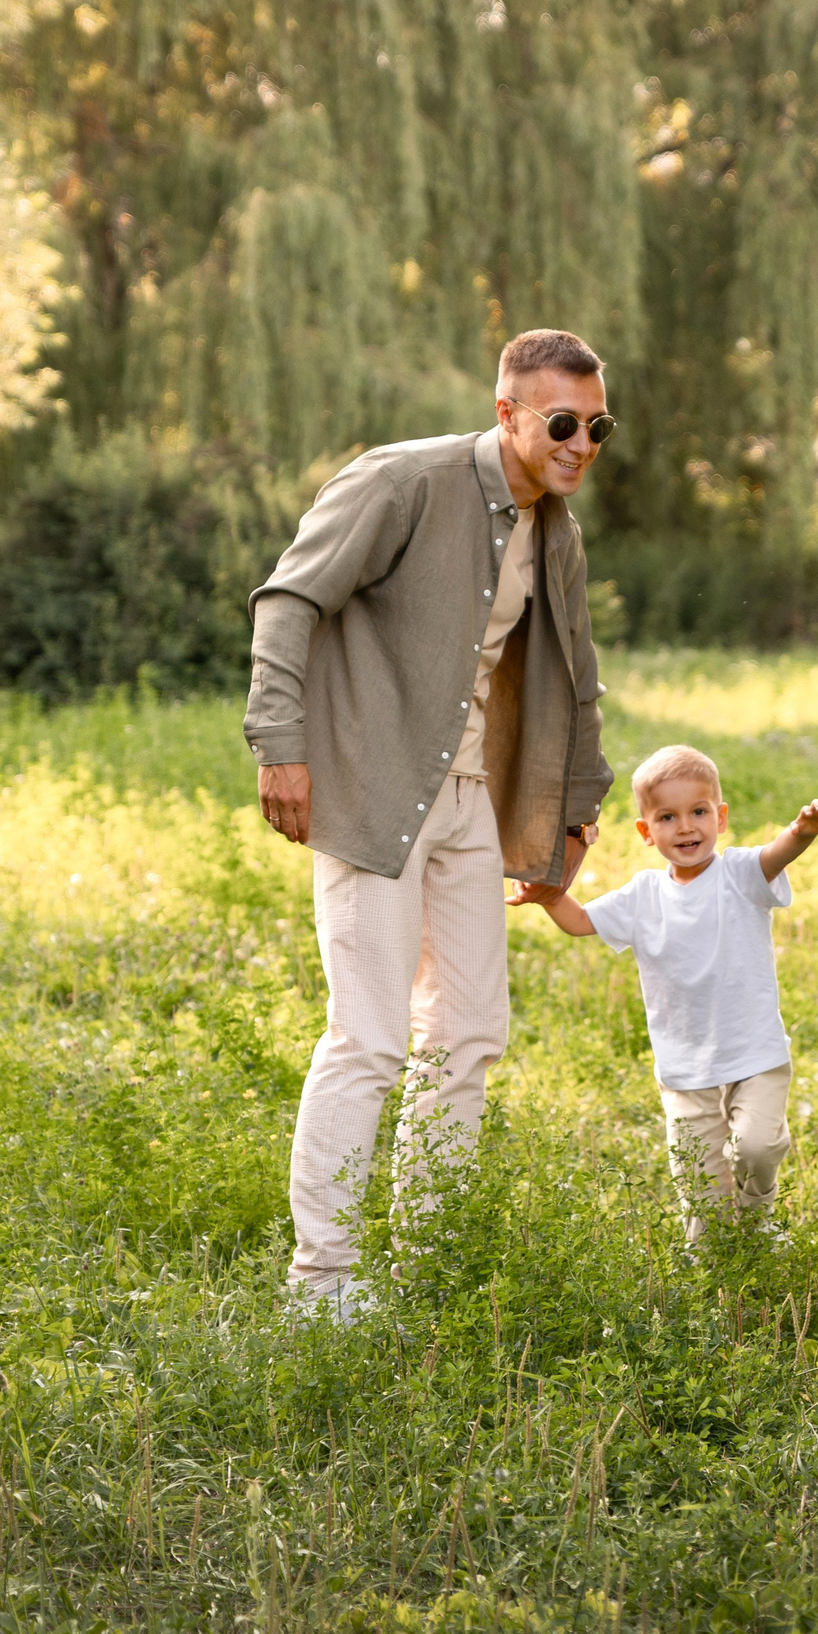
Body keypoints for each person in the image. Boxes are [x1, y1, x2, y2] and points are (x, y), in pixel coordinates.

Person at [245, 329, 617, 1323]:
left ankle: (425, 1257)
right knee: (367, 1034)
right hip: (371, 790)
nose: (582, 444)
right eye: (563, 424)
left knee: (468, 1033)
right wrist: (280, 746)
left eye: (599, 427)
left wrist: (575, 814)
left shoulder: (558, 535)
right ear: (508, 413)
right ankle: (321, 1281)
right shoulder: (399, 483)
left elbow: (576, 683)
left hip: (470, 811)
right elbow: (288, 603)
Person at [511, 745, 818, 1245]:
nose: (686, 827)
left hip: (755, 1053)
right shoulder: (642, 896)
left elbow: (778, 853)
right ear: (646, 832)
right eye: (668, 817)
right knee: (699, 1186)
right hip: (685, 1067)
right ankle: (710, 1271)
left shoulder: (740, 874)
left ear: (720, 818)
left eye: (699, 812)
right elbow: (580, 923)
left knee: (756, 1149)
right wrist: (552, 896)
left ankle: (759, 1218)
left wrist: (804, 831)